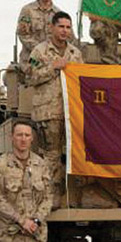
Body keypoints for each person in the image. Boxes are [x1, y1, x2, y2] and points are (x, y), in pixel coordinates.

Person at [26, 11, 83, 195]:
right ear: (51, 28)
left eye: (68, 27)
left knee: (74, 154)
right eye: (61, 26)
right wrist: (53, 67)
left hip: (71, 111)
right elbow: (30, 77)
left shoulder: (75, 53)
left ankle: (74, 194)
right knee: (51, 155)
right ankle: (48, 194)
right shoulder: (39, 51)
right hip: (48, 112)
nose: (65, 31)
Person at [15, 0, 63, 71]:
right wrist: (41, 50)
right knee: (36, 73)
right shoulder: (28, 10)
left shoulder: (58, 14)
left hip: (51, 60)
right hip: (31, 59)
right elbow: (23, 34)